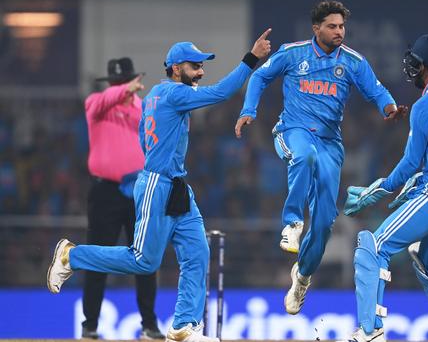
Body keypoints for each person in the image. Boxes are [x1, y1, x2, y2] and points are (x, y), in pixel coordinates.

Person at [47, 30, 272, 342]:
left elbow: (142, 136)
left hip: (176, 185)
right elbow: (221, 92)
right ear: (177, 68)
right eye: (196, 65)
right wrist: (252, 59)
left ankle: (183, 326)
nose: (201, 71)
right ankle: (71, 256)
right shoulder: (175, 94)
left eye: (202, 65)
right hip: (157, 184)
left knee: (197, 253)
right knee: (144, 260)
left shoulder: (154, 94)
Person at [234, 0, 406, 315]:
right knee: (304, 157)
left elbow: (377, 91)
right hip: (294, 132)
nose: (339, 31)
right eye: (332, 26)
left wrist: (390, 109)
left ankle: (302, 277)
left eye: (341, 26)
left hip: (330, 143)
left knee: (326, 222)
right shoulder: (292, 53)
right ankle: (291, 222)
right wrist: (249, 110)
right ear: (317, 29)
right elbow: (258, 77)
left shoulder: (353, 61)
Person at [340, 34, 428, 342]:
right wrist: (422, 180)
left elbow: (410, 162)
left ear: (424, 66)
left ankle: (370, 330)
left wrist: (379, 189)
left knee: (373, 247)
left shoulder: (425, 104)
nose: (411, 67)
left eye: (415, 62)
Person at [82, 57, 164, 339]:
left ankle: (149, 325)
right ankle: (90, 325)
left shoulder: (141, 109)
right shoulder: (96, 104)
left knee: (145, 259)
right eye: (118, 84)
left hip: (139, 191)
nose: (121, 88)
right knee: (97, 257)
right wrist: (124, 90)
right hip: (105, 192)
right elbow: (103, 101)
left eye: (124, 83)